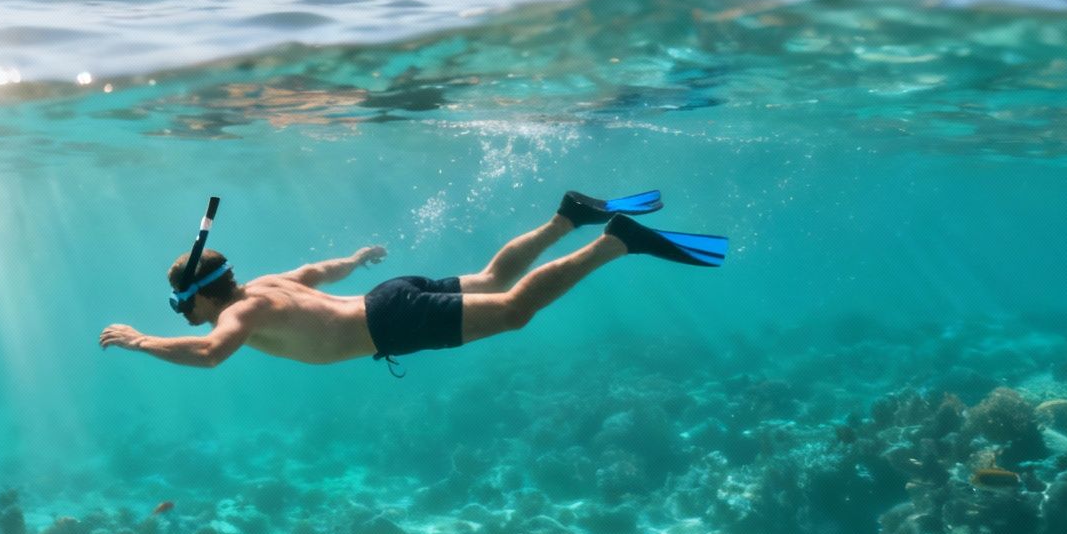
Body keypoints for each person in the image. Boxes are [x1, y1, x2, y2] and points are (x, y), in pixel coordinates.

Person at [98, 190, 724, 371]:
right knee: (492, 275)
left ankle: (615, 240)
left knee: (511, 309)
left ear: (203, 294)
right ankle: (569, 215)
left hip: (388, 322)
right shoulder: (265, 284)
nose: (186, 318)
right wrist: (358, 257)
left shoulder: (240, 315)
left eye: (181, 308)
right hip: (386, 295)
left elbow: (210, 355)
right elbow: (321, 271)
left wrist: (141, 340)